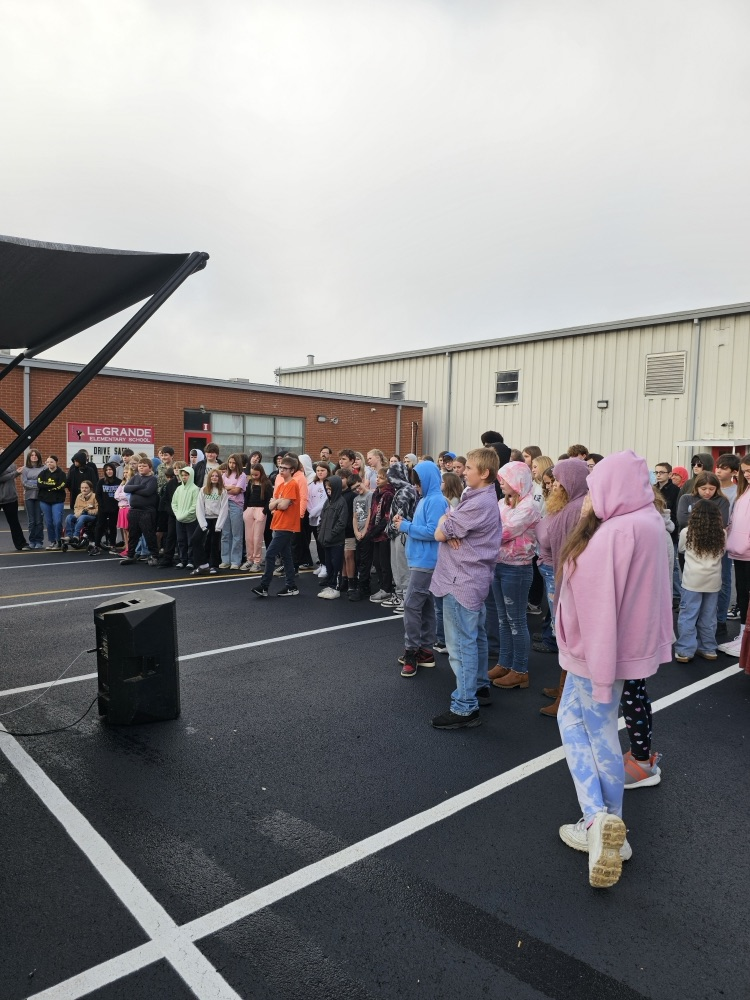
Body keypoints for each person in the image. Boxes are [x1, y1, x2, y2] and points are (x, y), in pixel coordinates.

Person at [556, 450, 672, 889]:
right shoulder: (649, 524)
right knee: (579, 721)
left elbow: (594, 602)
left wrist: (598, 665)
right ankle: (603, 821)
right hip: (624, 647)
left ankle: (600, 820)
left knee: (595, 728)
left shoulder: (614, 534)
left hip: (597, 650)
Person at [428, 448, 502, 722]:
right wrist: (447, 522)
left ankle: (465, 705)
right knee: (475, 637)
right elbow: (446, 521)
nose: (463, 471)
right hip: (469, 579)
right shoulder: (477, 496)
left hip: (461, 581)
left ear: (484, 473)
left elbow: (438, 533)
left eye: (469, 467)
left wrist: (446, 527)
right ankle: (479, 686)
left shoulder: (478, 502)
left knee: (461, 645)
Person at [533, 458, 589, 714]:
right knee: (565, 634)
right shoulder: (570, 506)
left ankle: (566, 698)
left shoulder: (574, 510)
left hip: (567, 580)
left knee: (568, 637)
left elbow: (552, 539)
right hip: (558, 575)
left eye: (558, 480)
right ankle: (564, 688)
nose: (554, 485)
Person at [392, 460, 449, 672]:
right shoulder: (428, 499)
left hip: (425, 562)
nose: (416, 486)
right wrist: (405, 523)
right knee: (424, 607)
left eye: (418, 483)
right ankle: (425, 650)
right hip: (422, 560)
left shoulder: (434, 500)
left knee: (411, 605)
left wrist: (405, 526)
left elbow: (433, 532)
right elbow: (426, 527)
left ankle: (412, 652)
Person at [490, 462, 541, 691]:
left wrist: (488, 530)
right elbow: (493, 527)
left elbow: (503, 531)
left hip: (517, 568)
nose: (500, 483)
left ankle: (520, 670)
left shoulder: (529, 506)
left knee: (516, 620)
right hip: (499, 564)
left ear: (517, 481)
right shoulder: (503, 502)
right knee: (503, 619)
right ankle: (504, 663)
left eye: (504, 479)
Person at [674, 500, 724, 662]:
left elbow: (681, 549)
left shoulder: (687, 532)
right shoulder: (721, 533)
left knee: (688, 615)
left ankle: (685, 651)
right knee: (709, 616)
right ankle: (709, 648)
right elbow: (723, 552)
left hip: (692, 581)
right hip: (713, 581)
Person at [252, 458, 300, 597]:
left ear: (292, 470)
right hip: (278, 524)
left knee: (270, 554)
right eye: (280, 467)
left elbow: (283, 506)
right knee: (286, 557)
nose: (281, 470)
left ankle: (264, 586)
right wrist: (278, 502)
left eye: (285, 468)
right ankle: (291, 586)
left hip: (286, 526)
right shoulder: (280, 486)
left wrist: (277, 503)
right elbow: (271, 506)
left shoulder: (292, 484)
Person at [721, 454, 750, 657]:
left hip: (746, 550)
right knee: (742, 593)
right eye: (744, 471)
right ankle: (742, 636)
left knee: (746, 594)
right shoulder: (744, 491)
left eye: (749, 471)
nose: (746, 475)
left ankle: (744, 639)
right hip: (740, 551)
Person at [382, 462, 417, 616]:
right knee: (395, 565)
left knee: (402, 566)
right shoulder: (401, 490)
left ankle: (406, 598)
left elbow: (400, 514)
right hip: (396, 532)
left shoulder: (406, 490)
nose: (390, 480)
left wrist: (391, 528)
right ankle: (399, 594)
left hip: (402, 532)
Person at [121, 458, 159, 566]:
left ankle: (154, 556)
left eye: (144, 466)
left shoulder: (152, 479)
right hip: (134, 511)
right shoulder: (135, 477)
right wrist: (139, 487)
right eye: (140, 466)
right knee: (133, 535)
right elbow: (126, 488)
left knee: (149, 535)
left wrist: (134, 490)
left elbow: (148, 492)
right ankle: (130, 555)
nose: (141, 467)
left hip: (146, 512)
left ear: (150, 468)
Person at [316, 475, 349, 598]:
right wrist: (320, 534)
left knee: (336, 565)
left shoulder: (341, 502)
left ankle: (336, 587)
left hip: (336, 541)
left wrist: (331, 535)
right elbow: (322, 519)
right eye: (327, 488)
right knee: (329, 564)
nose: (328, 491)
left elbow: (341, 523)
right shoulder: (327, 502)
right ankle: (330, 585)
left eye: (330, 488)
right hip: (326, 540)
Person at [366, 467, 395, 602]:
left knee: (384, 563)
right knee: (376, 562)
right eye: (377, 477)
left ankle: (387, 589)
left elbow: (386, 517)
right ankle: (383, 586)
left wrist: (376, 530)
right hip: (374, 533)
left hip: (383, 534)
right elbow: (372, 513)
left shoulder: (388, 494)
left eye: (381, 478)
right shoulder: (376, 493)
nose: (377, 479)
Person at [195, 468, 229, 575]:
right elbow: (199, 507)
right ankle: (202, 564)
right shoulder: (203, 490)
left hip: (216, 520)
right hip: (205, 519)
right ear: (209, 478)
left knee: (214, 542)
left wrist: (218, 526)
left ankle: (213, 565)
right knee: (195, 540)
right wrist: (203, 524)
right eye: (212, 476)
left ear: (219, 478)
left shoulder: (222, 491)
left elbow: (224, 509)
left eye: (216, 476)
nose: (214, 478)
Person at [242, 463, 272, 571]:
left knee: (257, 538)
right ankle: (249, 560)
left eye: (256, 475)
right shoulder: (250, 482)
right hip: (250, 510)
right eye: (252, 474)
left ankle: (257, 561)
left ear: (261, 473)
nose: (254, 476)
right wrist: (245, 510)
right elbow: (247, 497)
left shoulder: (266, 484)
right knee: (248, 537)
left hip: (260, 511)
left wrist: (264, 512)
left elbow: (269, 499)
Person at [220, 454, 247, 570]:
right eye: (230, 462)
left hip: (236, 505)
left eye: (234, 463)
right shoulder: (224, 475)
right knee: (225, 534)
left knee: (237, 534)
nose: (231, 465)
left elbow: (237, 491)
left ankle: (236, 560)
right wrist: (230, 487)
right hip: (224, 505)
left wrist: (228, 488)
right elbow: (219, 489)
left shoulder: (242, 475)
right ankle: (225, 560)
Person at [349, 476, 374, 601]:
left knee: (365, 561)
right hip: (358, 534)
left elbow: (370, 513)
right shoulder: (356, 499)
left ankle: (363, 588)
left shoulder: (370, 495)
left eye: (358, 486)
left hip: (367, 533)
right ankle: (364, 585)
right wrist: (356, 531)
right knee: (358, 559)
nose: (357, 490)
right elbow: (354, 517)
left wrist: (364, 531)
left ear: (362, 482)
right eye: (354, 489)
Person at [172, 464, 201, 569]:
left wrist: (185, 514)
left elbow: (195, 505)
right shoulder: (179, 489)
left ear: (191, 476)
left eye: (186, 475)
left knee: (190, 541)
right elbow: (174, 503)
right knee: (181, 540)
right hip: (179, 519)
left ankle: (191, 560)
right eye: (182, 475)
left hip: (191, 520)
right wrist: (178, 514)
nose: (184, 477)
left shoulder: (195, 489)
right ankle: (182, 560)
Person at [0, 448, 29, 550]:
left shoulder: (12, 464)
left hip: (10, 497)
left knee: (14, 522)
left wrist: (16, 472)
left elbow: (7, 476)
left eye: (3, 452)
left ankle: (21, 544)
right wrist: (15, 473)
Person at [38, 455, 67, 548]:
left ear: (56, 462)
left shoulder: (61, 474)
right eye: (48, 462)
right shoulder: (42, 473)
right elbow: (39, 484)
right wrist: (52, 485)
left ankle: (59, 540)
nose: (49, 463)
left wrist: (47, 486)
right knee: (49, 522)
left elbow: (61, 485)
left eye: (51, 462)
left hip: (57, 501)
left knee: (57, 521)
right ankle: (52, 541)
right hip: (44, 501)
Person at [308, 462, 330, 581]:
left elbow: (325, 501)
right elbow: (308, 498)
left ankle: (326, 565)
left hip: (322, 517)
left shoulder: (328, 484)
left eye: (323, 470)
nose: (320, 472)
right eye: (318, 470)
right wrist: (311, 511)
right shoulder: (312, 484)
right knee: (317, 542)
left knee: (323, 543)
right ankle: (322, 563)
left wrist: (314, 511)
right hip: (313, 517)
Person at [62, 480, 98, 546]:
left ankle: (76, 536)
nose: (84, 489)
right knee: (69, 517)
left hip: (91, 516)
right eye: (82, 488)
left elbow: (97, 510)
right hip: (80, 514)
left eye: (86, 488)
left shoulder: (94, 496)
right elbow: (76, 508)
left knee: (82, 517)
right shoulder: (79, 496)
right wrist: (78, 513)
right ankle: (69, 536)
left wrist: (88, 511)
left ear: (90, 488)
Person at [21, 449, 45, 549]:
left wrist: (33, 483)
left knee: (39, 521)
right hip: (29, 497)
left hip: (40, 497)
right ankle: (32, 541)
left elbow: (44, 483)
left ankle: (39, 541)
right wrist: (37, 484)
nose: (34, 456)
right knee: (31, 521)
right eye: (32, 455)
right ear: (29, 457)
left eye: (36, 455)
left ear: (38, 457)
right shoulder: (25, 469)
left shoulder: (44, 468)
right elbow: (24, 483)